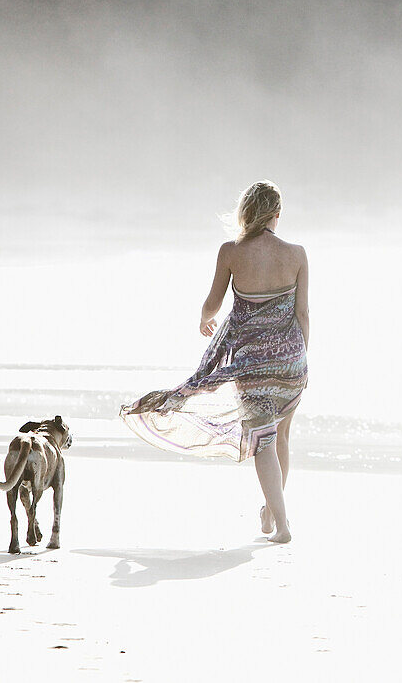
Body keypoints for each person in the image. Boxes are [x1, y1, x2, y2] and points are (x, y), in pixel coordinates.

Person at [120, 181, 309, 543]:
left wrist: (205, 319)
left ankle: (282, 524)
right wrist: (300, 358)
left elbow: (213, 304)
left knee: (263, 441)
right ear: (277, 215)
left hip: (250, 364)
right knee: (281, 436)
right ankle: (271, 513)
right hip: (291, 360)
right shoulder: (297, 254)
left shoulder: (231, 252)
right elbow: (303, 313)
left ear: (247, 213)